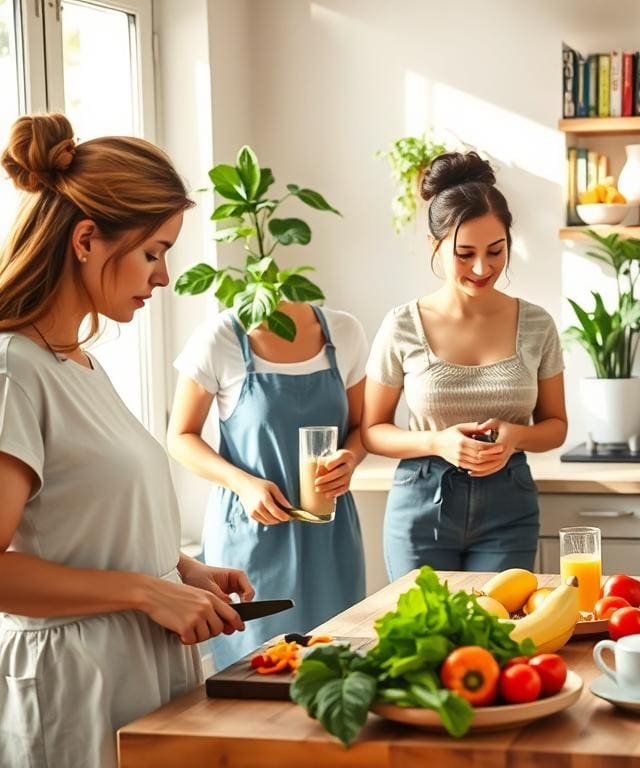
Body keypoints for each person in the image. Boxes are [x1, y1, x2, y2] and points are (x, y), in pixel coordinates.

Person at [0, 114, 253, 768]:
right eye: (154, 252)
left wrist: (181, 573)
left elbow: (80, 520)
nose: (163, 277)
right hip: (75, 687)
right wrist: (146, 591)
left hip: (135, 671)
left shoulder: (78, 362)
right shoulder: (13, 370)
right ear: (86, 239)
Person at [362, 151, 567, 580]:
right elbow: (373, 431)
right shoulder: (402, 325)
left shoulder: (537, 324)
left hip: (509, 507)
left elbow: (555, 426)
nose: (481, 268)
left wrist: (515, 436)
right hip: (420, 504)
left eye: (496, 251)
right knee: (424, 637)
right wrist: (439, 443)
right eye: (464, 253)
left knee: (497, 637)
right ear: (436, 246)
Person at [167, 294, 367, 669]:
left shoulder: (344, 332)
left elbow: (360, 428)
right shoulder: (220, 337)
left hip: (330, 532)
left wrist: (350, 459)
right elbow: (180, 437)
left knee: (338, 664)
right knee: (255, 672)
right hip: (251, 536)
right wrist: (243, 484)